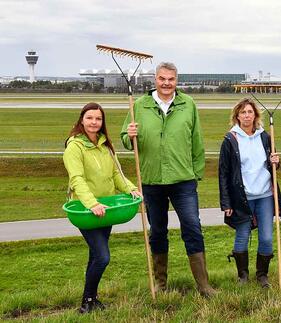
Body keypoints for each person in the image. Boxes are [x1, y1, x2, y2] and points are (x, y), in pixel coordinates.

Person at [120, 62, 216, 297]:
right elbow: (125, 139)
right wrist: (128, 136)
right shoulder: (140, 105)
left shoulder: (188, 104)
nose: (166, 83)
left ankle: (204, 286)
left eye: (170, 79)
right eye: (162, 78)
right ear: (155, 79)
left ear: (176, 80)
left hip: (183, 179)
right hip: (152, 180)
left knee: (193, 227)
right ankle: (160, 284)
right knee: (158, 231)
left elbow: (197, 140)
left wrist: (196, 173)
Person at [63, 102, 141, 313]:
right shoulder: (74, 147)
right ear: (81, 120)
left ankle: (90, 300)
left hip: (107, 209)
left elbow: (116, 174)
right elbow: (77, 179)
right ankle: (87, 302)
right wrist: (92, 203)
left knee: (95, 256)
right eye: (89, 118)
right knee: (103, 256)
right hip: (87, 210)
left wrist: (131, 189)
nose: (94, 122)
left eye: (98, 119)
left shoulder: (105, 145)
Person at [218, 98, 281, 288]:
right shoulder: (230, 140)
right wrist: (226, 202)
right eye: (243, 112)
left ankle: (262, 275)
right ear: (237, 116)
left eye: (249, 112)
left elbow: (273, 165)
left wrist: (276, 161)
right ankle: (243, 276)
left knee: (266, 237)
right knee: (242, 235)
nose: (246, 115)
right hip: (242, 197)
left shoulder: (265, 136)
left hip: (264, 194)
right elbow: (223, 173)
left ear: (255, 115)